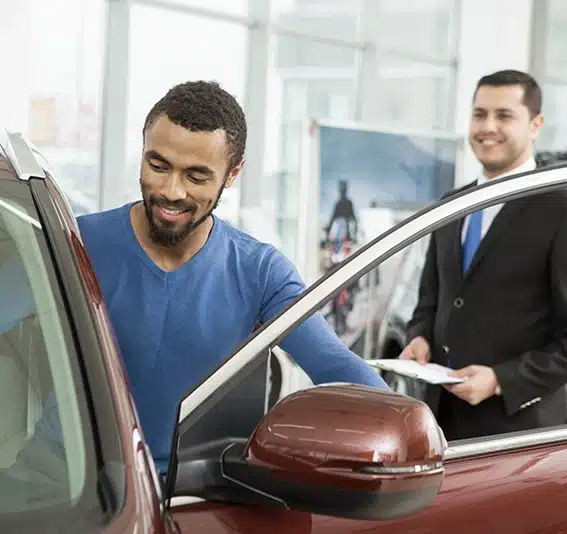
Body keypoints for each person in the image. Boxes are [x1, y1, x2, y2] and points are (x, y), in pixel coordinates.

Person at [77, 81, 388, 474]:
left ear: (232, 173)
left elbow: (336, 366)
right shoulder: (75, 241)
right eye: (157, 166)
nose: (171, 191)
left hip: (193, 499)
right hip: (76, 493)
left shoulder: (259, 271)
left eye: (196, 176)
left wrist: (418, 433)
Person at [399, 69, 567, 441]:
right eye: (479, 114)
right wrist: (420, 337)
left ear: (536, 124)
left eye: (504, 116)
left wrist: (500, 380)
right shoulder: (450, 206)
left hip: (517, 435)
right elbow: (430, 302)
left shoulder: (560, 208)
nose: (487, 126)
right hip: (439, 424)